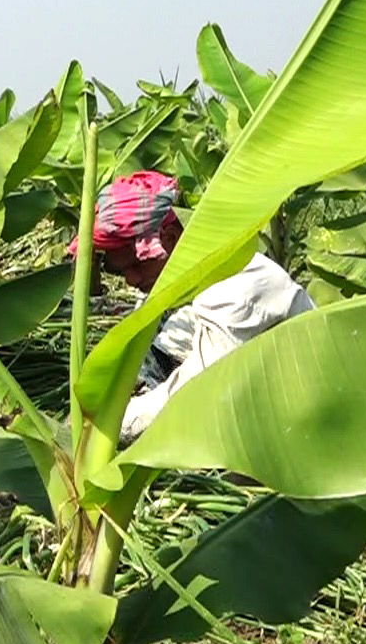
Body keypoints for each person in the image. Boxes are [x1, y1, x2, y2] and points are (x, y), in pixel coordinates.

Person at [85, 170, 315, 442]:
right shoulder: (177, 283)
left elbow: (194, 392)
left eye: (136, 265)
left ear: (170, 239)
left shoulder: (237, 284)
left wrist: (101, 430)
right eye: (121, 271)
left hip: (293, 430)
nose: (131, 280)